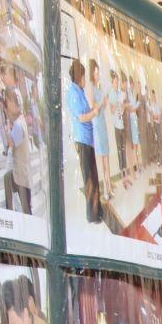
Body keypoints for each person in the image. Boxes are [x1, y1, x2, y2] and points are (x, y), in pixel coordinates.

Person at [66, 58, 101, 223]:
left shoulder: (79, 91)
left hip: (89, 140)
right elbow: (82, 117)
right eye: (84, 77)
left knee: (94, 177)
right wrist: (94, 113)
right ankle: (91, 215)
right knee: (89, 179)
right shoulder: (73, 92)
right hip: (83, 141)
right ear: (79, 76)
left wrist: (94, 109)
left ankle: (97, 211)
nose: (85, 80)